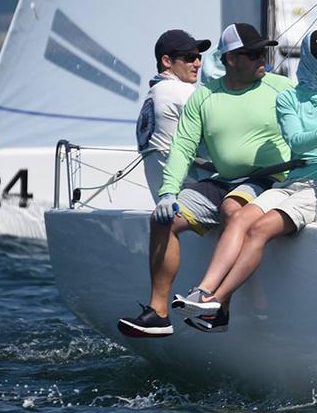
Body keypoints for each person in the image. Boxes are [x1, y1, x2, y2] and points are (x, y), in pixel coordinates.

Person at [174, 28, 317, 332]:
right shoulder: (289, 97)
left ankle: (218, 301)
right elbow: (296, 141)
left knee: (260, 229)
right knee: (238, 219)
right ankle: (204, 290)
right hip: (293, 180)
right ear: (309, 58)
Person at [117, 23, 293, 337]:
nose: (261, 59)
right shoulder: (204, 97)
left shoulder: (280, 87)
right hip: (223, 179)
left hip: (269, 178)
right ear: (230, 59)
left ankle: (219, 306)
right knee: (163, 220)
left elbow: (316, 116)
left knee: (231, 209)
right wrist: (168, 192)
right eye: (251, 54)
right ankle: (158, 313)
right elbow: (183, 147)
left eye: (262, 52)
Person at [136, 30, 206, 199]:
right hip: (194, 201)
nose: (197, 64)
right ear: (167, 61)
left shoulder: (153, 95)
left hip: (166, 204)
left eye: (199, 57)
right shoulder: (180, 91)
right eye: (189, 58)